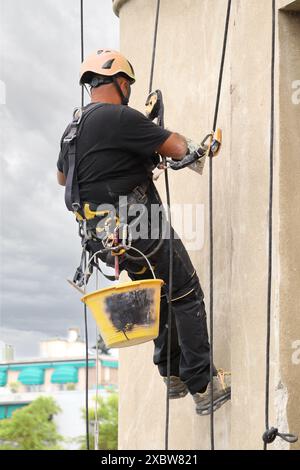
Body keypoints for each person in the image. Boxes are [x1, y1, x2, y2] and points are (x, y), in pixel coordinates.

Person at [57, 49, 231, 415]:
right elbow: (179, 148)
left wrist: (125, 159)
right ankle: (203, 386)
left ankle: (173, 376)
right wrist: (188, 145)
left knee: (160, 293)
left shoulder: (73, 127)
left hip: (103, 239)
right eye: (128, 87)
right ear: (121, 84)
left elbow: (63, 177)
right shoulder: (121, 117)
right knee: (184, 292)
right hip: (140, 228)